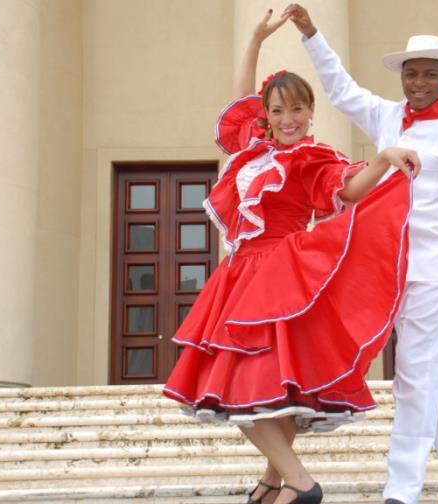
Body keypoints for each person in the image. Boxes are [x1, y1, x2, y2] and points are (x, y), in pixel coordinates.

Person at [163, 9, 420, 504]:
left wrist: (386, 157)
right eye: (277, 111)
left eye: (297, 110)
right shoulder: (254, 149)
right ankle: (274, 482)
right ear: (267, 116)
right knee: (274, 387)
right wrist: (255, 40)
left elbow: (349, 190)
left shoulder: (312, 158)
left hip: (280, 270)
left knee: (237, 386)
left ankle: (302, 485)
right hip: (243, 270)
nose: (287, 120)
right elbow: (241, 100)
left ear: (310, 112)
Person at [287, 5, 438, 504]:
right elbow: (341, 90)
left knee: (412, 374)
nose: (419, 82)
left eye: (430, 73)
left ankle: (401, 491)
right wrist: (310, 34)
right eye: (411, 73)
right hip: (392, 270)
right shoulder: (389, 117)